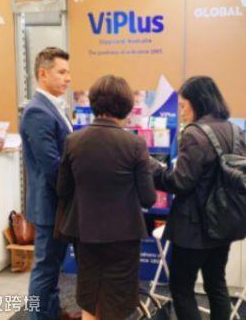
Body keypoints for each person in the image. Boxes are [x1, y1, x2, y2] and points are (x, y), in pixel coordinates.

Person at [56, 75, 156, 320]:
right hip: (124, 235)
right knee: (117, 299)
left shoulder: (73, 141)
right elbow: (148, 198)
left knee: (89, 295)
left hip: (84, 232)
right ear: (126, 105)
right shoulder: (135, 144)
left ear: (94, 102)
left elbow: (63, 189)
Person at [151, 76, 246, 320]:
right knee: (216, 283)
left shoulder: (194, 133)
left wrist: (155, 171)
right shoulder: (236, 131)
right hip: (224, 220)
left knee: (181, 287)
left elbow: (181, 183)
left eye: (183, 106)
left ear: (198, 102)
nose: (181, 112)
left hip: (193, 226)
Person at [20, 47, 77, 320]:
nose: (68, 78)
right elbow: (52, 166)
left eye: (68, 72)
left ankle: (52, 312)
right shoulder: (37, 112)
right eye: (62, 72)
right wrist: (77, 190)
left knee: (52, 266)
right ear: (43, 74)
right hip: (49, 205)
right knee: (44, 268)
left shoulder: (53, 107)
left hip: (56, 203)